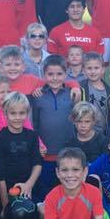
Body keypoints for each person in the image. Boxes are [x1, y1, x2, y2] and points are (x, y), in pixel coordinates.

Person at [31, 55, 76, 198]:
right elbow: (35, 124)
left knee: (65, 187)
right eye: (50, 74)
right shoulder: (38, 95)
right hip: (45, 153)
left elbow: (78, 120)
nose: (55, 78)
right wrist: (38, 144)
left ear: (66, 74)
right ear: (44, 75)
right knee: (45, 189)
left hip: (67, 150)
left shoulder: (72, 94)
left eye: (59, 74)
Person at [0, 91, 43, 209]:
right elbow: (0, 174)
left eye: (21, 113)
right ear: (5, 114)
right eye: (13, 113)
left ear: (27, 114)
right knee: (14, 215)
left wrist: (29, 185)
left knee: (41, 213)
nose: (18, 118)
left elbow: (37, 164)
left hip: (29, 186)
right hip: (8, 189)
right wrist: (5, 204)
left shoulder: (32, 136)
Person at [79, 53, 110, 130]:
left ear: (103, 70)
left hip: (103, 131)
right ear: (83, 70)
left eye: (96, 68)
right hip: (84, 130)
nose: (93, 71)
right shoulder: (80, 88)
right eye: (89, 68)